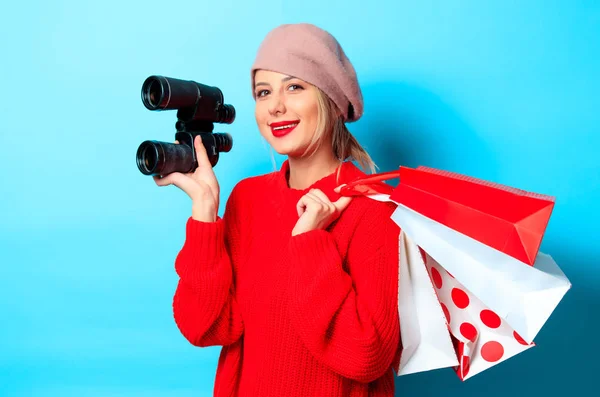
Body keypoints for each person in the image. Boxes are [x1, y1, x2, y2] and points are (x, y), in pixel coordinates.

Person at [154, 23, 402, 397]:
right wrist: (204, 214)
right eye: (263, 92)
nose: (276, 106)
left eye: (295, 86)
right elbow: (205, 327)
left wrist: (310, 242)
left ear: (332, 100)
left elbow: (367, 356)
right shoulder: (247, 199)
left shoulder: (374, 206)